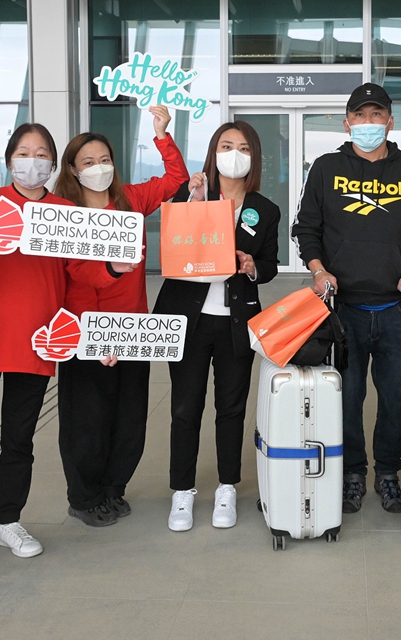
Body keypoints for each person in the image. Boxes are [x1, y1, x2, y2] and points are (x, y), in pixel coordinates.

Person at [0, 123, 131, 579]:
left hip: (37, 339)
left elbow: (81, 274)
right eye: (24, 152)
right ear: (10, 160)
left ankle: (7, 520)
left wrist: (111, 267)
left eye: (42, 152)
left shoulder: (65, 210)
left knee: (19, 440)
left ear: (52, 163)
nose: (33, 160)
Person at [292, 82, 401, 514]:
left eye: (377, 116)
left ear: (390, 122)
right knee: (346, 399)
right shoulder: (326, 167)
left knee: (396, 398)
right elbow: (307, 228)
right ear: (347, 120)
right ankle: (352, 473)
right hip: (344, 308)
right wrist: (318, 270)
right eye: (361, 115)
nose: (369, 123)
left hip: (396, 308)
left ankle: (388, 473)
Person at [50, 107, 189, 527]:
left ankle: (114, 488)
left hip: (132, 330)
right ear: (73, 170)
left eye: (104, 159)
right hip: (84, 330)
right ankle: (85, 496)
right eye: (88, 162)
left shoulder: (129, 200)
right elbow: (75, 275)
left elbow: (175, 182)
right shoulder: (65, 212)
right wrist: (98, 339)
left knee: (129, 417)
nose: (99, 168)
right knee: (86, 419)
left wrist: (162, 136)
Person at [153, 121, 281, 531]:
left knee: (232, 407)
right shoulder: (190, 194)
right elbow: (172, 247)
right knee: (185, 407)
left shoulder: (266, 209)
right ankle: (182, 491)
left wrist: (252, 266)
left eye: (243, 147)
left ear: (253, 157)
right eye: (226, 146)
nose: (234, 153)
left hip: (236, 321)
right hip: (187, 319)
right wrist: (192, 203)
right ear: (213, 152)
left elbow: (271, 265)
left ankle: (227, 486)